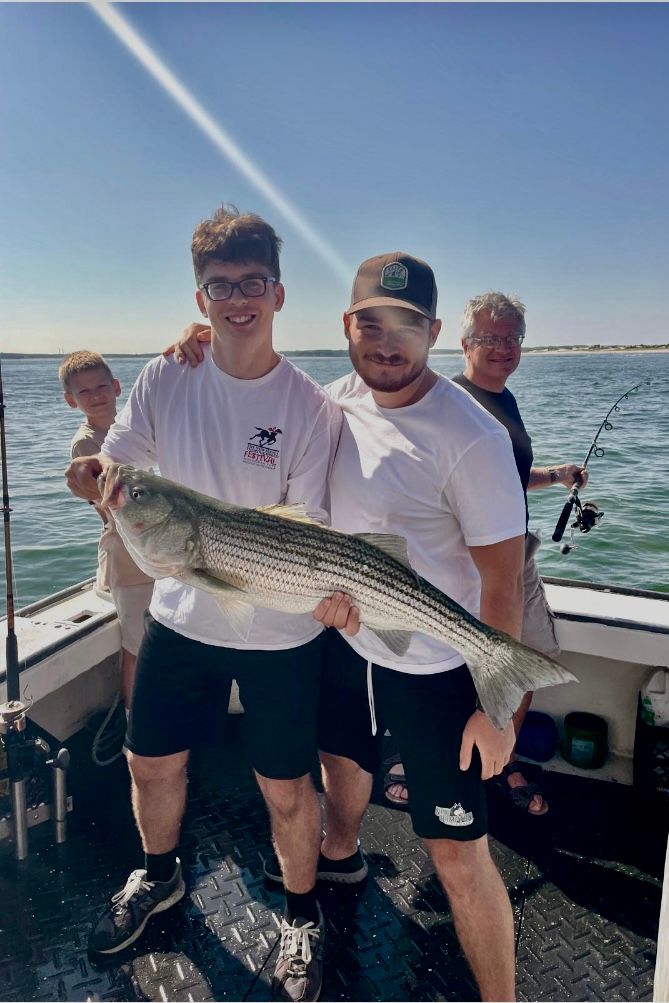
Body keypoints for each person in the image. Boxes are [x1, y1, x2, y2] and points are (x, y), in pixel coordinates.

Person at [166, 252, 531, 1001]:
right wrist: (204, 344)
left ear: (434, 332)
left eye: (407, 326)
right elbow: (253, 388)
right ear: (346, 325)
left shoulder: (473, 436)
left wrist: (498, 711)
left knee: (457, 856)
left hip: (435, 667)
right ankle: (341, 850)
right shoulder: (330, 402)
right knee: (339, 761)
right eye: (371, 323)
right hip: (344, 639)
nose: (387, 343)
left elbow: (502, 581)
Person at [65, 207, 342, 1003]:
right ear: (200, 297)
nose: (238, 299)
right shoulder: (166, 376)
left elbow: (309, 524)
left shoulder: (310, 406)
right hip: (181, 613)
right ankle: (159, 875)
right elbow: (117, 464)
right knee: (149, 762)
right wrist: (92, 479)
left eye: (253, 282)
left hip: (280, 627)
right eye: (221, 286)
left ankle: (301, 913)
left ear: (279, 293)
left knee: (286, 787)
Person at [383, 293, 587, 817]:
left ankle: (497, 758)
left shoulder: (506, 401)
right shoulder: (451, 404)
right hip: (462, 568)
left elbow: (506, 478)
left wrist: (556, 476)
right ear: (463, 343)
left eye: (512, 338)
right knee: (448, 665)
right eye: (489, 338)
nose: (502, 348)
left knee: (530, 661)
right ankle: (418, 758)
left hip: (515, 559)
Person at [60, 350, 154, 712]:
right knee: (136, 645)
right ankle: (132, 719)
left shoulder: (133, 429)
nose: (96, 395)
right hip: (125, 556)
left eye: (101, 386)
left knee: (159, 638)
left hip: (152, 549)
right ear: (71, 400)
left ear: (116, 387)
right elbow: (110, 507)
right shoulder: (86, 445)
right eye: (84, 392)